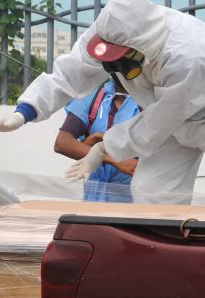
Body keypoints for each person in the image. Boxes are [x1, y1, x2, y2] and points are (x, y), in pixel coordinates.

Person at [0, 0, 205, 206]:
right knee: (152, 196)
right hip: (168, 117)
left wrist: (104, 146)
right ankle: (165, 278)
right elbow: (71, 72)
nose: (112, 69)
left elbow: (156, 124)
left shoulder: (186, 54)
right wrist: (24, 111)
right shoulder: (107, 33)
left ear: (144, 46)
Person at [54, 75, 141, 203]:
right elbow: (62, 143)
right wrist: (112, 158)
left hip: (136, 204)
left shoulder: (149, 103)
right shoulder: (92, 97)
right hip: (93, 201)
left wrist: (90, 146)